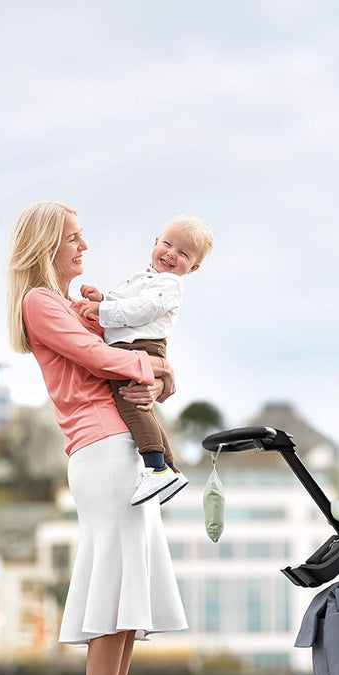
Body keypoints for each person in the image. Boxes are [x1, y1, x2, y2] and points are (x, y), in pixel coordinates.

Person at [6, 201, 188, 675]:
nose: (84, 248)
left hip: (117, 450)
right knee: (114, 591)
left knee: (127, 597)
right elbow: (98, 358)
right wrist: (150, 370)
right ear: (46, 247)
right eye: (74, 240)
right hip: (102, 449)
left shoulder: (70, 303)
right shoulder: (40, 302)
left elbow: (122, 350)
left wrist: (154, 370)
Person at [75, 215, 214, 506]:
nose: (171, 254)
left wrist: (101, 310)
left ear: (194, 267)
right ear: (155, 242)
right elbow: (127, 300)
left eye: (183, 254)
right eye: (167, 244)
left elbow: (142, 309)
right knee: (142, 407)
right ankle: (170, 467)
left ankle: (155, 467)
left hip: (140, 347)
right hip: (133, 346)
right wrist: (104, 298)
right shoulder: (147, 277)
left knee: (132, 404)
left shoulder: (170, 285)